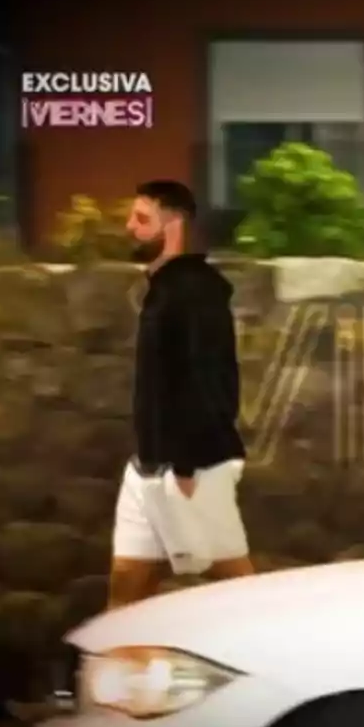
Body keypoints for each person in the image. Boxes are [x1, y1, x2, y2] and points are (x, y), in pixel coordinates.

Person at [109, 179, 254, 609]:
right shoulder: (163, 289)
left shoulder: (196, 292)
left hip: (191, 468)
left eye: (141, 219)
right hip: (149, 469)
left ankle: (290, 665)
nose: (129, 227)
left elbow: (209, 378)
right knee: (126, 591)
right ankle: (120, 674)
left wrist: (187, 465)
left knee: (237, 593)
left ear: (172, 226)